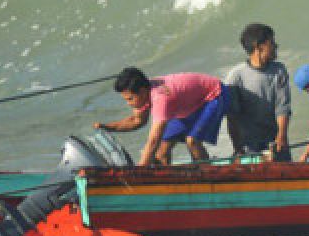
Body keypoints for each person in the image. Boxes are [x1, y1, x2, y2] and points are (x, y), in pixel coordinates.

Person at [95, 67, 229, 166]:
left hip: (214, 95)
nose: (128, 103)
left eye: (130, 99)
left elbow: (153, 140)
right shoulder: (144, 93)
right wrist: (107, 127)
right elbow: (137, 121)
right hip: (187, 106)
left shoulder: (161, 98)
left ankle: (205, 174)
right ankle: (165, 184)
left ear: (142, 92)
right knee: (161, 151)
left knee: (192, 141)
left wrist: (139, 172)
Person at [225, 23, 292, 161]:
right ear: (259, 47)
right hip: (248, 147)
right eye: (272, 42)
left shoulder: (279, 70)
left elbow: (283, 108)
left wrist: (282, 135)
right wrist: (237, 149)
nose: (276, 46)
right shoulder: (236, 76)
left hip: (276, 142)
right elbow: (232, 117)